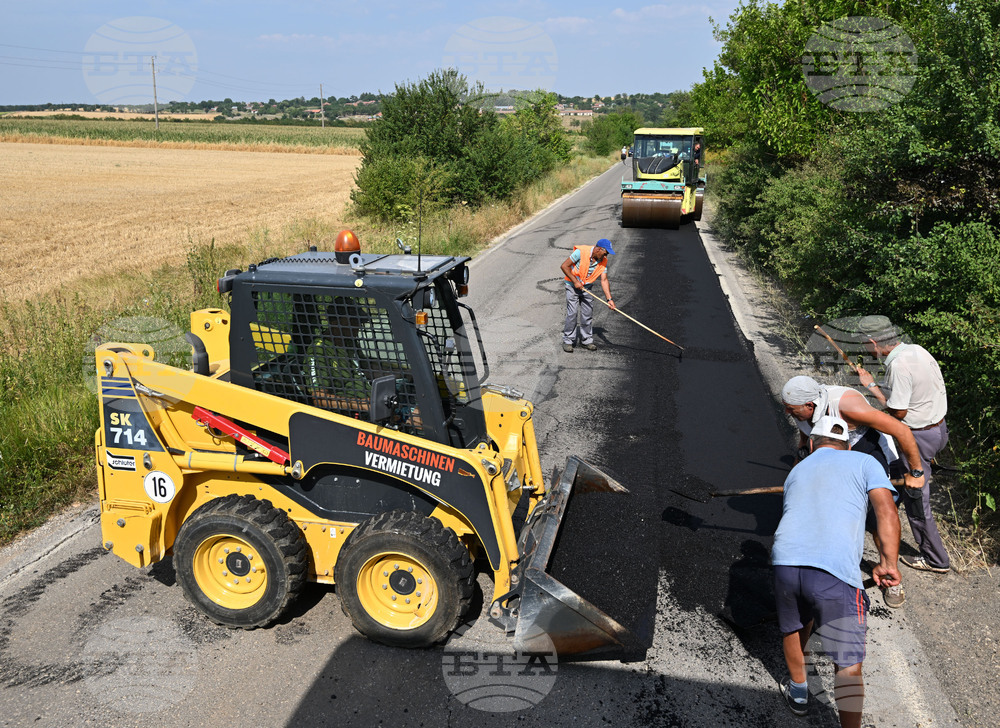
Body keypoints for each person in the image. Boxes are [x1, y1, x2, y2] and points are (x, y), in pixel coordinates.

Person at [772, 415, 900, 726]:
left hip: (785, 561)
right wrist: (888, 563)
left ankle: (798, 692)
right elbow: (886, 510)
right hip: (835, 570)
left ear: (813, 443)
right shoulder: (865, 462)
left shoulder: (797, 471)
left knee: (794, 624)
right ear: (848, 444)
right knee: (848, 662)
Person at [781, 374, 924, 608]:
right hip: (831, 455)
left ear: (810, 405)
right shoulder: (802, 409)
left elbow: (901, 430)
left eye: (791, 409)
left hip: (867, 454)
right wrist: (796, 475)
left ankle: (890, 573)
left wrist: (916, 472)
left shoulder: (847, 406)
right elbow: (805, 436)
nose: (788, 413)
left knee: (878, 519)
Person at [854, 315, 951, 573]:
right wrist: (874, 383)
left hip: (918, 437)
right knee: (913, 479)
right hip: (939, 429)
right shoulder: (916, 350)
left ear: (873, 342)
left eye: (865, 344)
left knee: (916, 495)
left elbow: (897, 414)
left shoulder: (897, 365)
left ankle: (936, 559)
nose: (865, 348)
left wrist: (870, 390)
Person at [559, 239, 616, 352]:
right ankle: (568, 341)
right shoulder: (581, 252)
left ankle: (586, 341)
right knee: (572, 313)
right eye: (606, 253)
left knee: (587, 314)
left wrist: (609, 299)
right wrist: (575, 281)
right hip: (572, 286)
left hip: (587, 288)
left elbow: (604, 280)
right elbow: (564, 266)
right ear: (599, 249)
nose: (606, 255)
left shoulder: (603, 261)